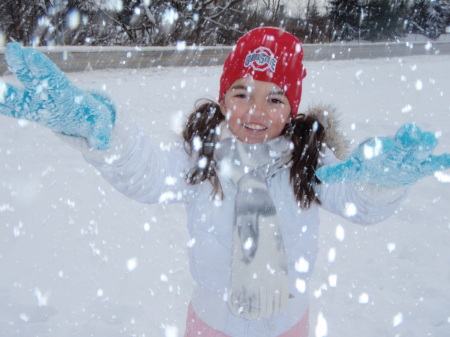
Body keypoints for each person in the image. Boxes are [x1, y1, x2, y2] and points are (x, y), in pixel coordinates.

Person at [0, 27, 449, 337]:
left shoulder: (309, 161)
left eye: (274, 98)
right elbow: (148, 174)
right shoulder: (202, 157)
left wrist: (381, 183)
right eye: (242, 93)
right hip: (212, 325)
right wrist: (102, 133)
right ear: (222, 97)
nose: (255, 111)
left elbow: (356, 200)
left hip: (288, 326)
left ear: (292, 109)